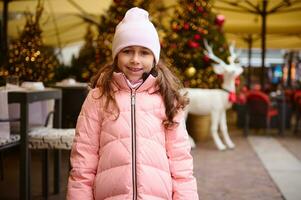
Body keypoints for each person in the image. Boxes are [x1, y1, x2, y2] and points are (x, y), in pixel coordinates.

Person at [67, 7, 199, 200]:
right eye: (127, 51)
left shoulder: (168, 98)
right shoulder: (98, 97)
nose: (135, 60)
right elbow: (83, 160)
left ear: (154, 58)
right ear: (116, 55)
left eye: (144, 52)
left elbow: (181, 162)